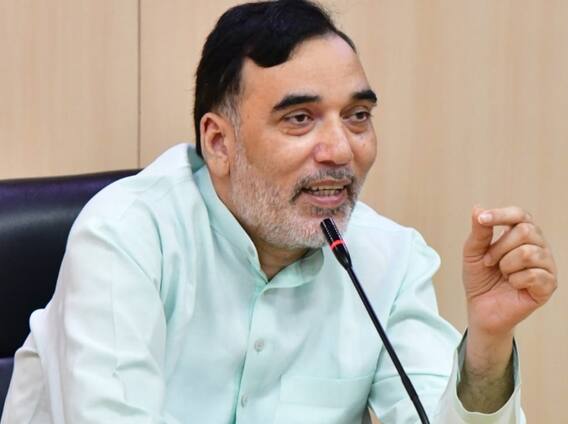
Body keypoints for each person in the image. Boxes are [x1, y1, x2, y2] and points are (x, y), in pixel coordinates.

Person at [2, 1, 557, 423]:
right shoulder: (125, 237)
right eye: (299, 119)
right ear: (219, 143)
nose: (340, 150)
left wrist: (487, 344)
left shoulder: (389, 259)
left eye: (358, 116)